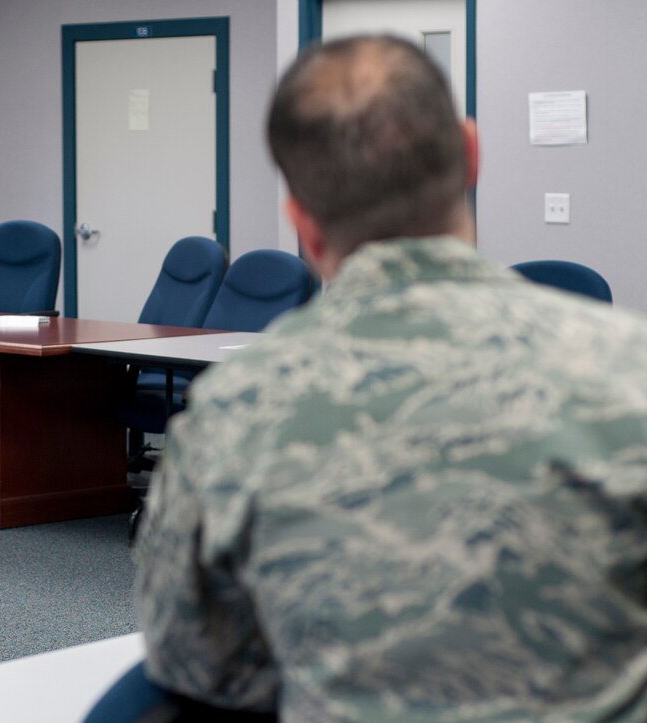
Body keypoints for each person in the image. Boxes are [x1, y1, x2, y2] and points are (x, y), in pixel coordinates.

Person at [133, 35, 647, 721]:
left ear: (302, 223)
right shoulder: (627, 367)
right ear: (472, 155)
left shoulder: (234, 406)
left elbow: (194, 663)